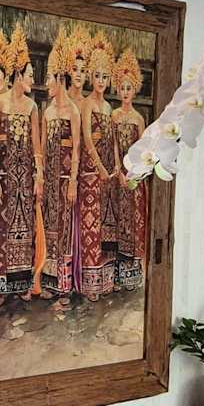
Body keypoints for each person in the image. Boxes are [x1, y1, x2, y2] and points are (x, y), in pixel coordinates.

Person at [0, 25, 43, 307]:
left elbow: (37, 148)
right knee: (0, 230)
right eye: (30, 74)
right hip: (4, 175)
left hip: (25, 179)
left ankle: (21, 284)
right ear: (19, 76)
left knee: (24, 229)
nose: (33, 79)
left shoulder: (32, 107)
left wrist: (39, 177)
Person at [41, 27, 82, 308]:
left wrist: (73, 182)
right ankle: (48, 281)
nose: (47, 84)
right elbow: (43, 150)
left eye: (49, 78)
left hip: (66, 178)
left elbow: (77, 148)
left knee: (65, 230)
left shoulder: (73, 112)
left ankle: (65, 286)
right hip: (49, 179)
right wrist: (41, 178)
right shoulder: (47, 112)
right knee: (49, 229)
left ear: (59, 78)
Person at [77, 33, 117, 301]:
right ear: (91, 77)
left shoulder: (109, 106)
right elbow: (88, 139)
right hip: (91, 172)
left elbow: (111, 139)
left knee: (105, 226)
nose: (101, 81)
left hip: (108, 172)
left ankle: (105, 280)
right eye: (97, 76)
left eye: (105, 77)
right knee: (90, 226)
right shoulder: (87, 103)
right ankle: (89, 283)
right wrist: (100, 167)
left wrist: (114, 165)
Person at [112, 48, 149, 291]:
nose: (125, 92)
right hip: (118, 177)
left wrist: (134, 174)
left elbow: (142, 149)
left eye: (129, 88)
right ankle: (116, 276)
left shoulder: (139, 118)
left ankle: (132, 277)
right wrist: (118, 172)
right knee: (117, 224)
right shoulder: (114, 116)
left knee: (133, 224)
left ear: (135, 90)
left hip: (134, 177)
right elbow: (114, 145)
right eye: (122, 88)